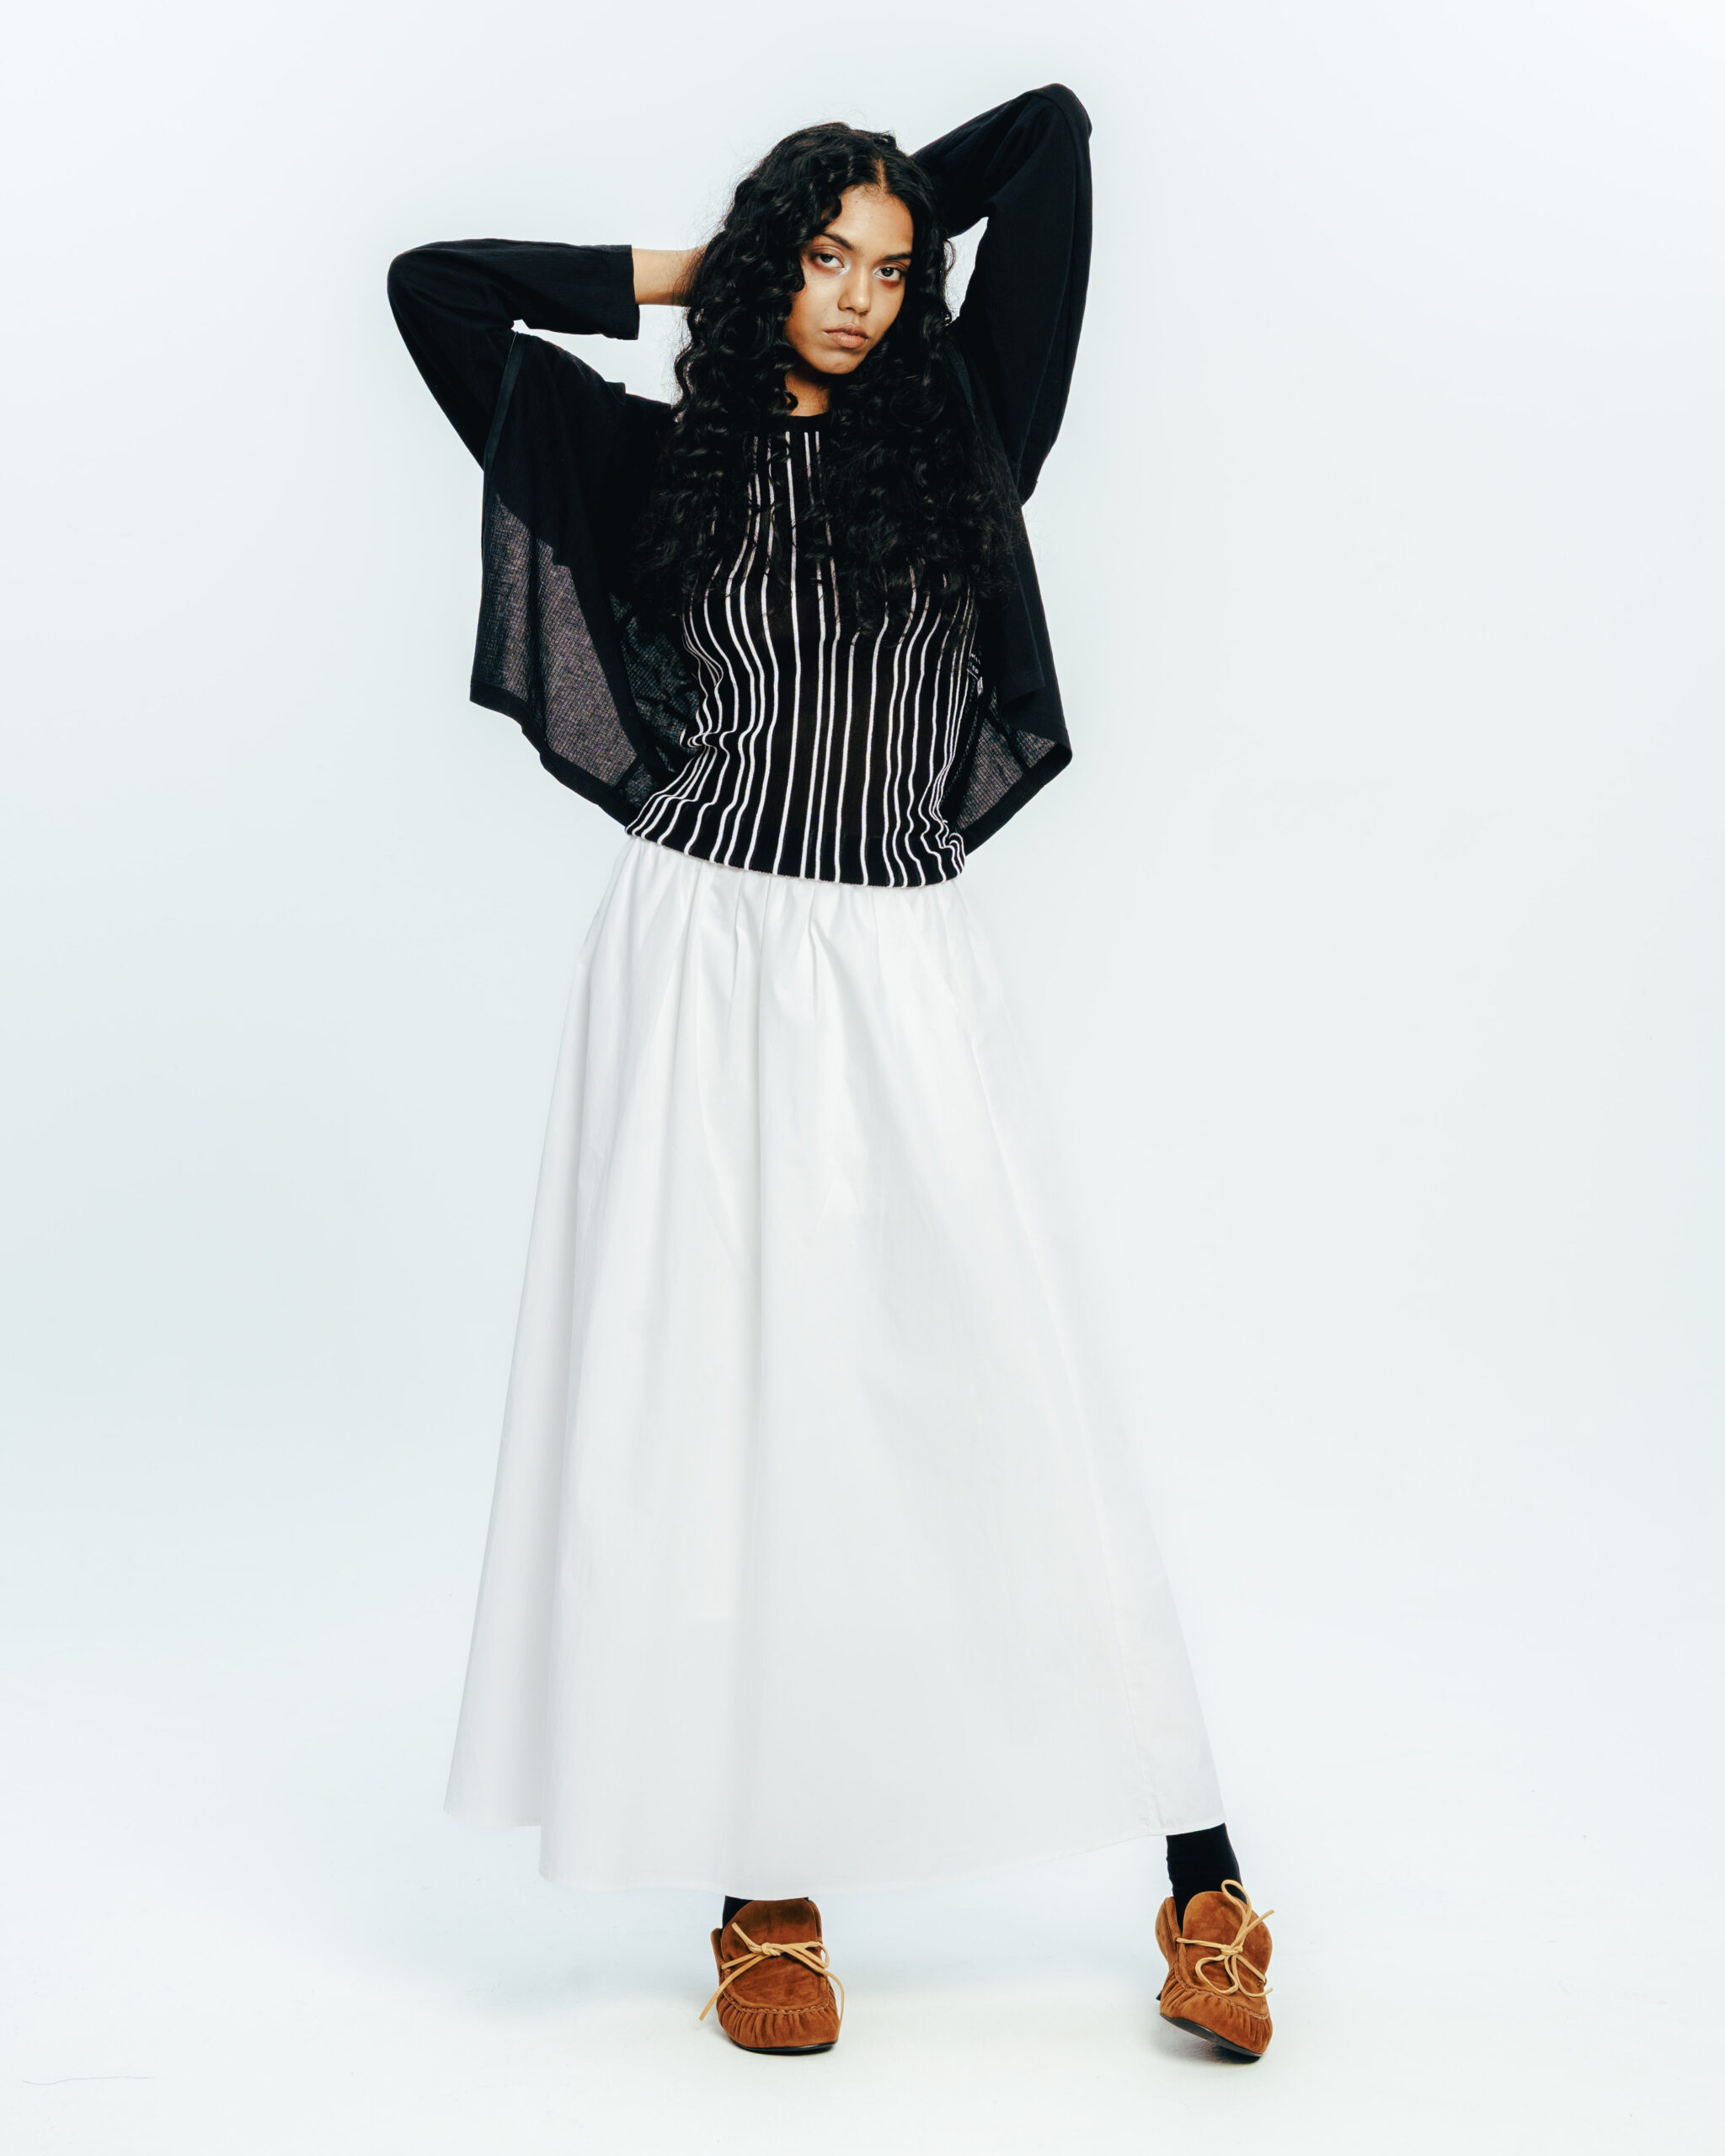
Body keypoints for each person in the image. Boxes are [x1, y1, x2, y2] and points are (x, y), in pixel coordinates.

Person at [387, 83, 1274, 2063]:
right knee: (719, 1413)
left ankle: (1202, 1867)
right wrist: (711, 263)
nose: (863, 297)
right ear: (768, 269)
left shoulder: (966, 435)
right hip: (697, 959)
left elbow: (1050, 134)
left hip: (898, 957)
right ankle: (760, 1886)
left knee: (1022, 1380)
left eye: (889, 267)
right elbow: (429, 288)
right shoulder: (654, 458)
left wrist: (883, 201)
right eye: (827, 260)